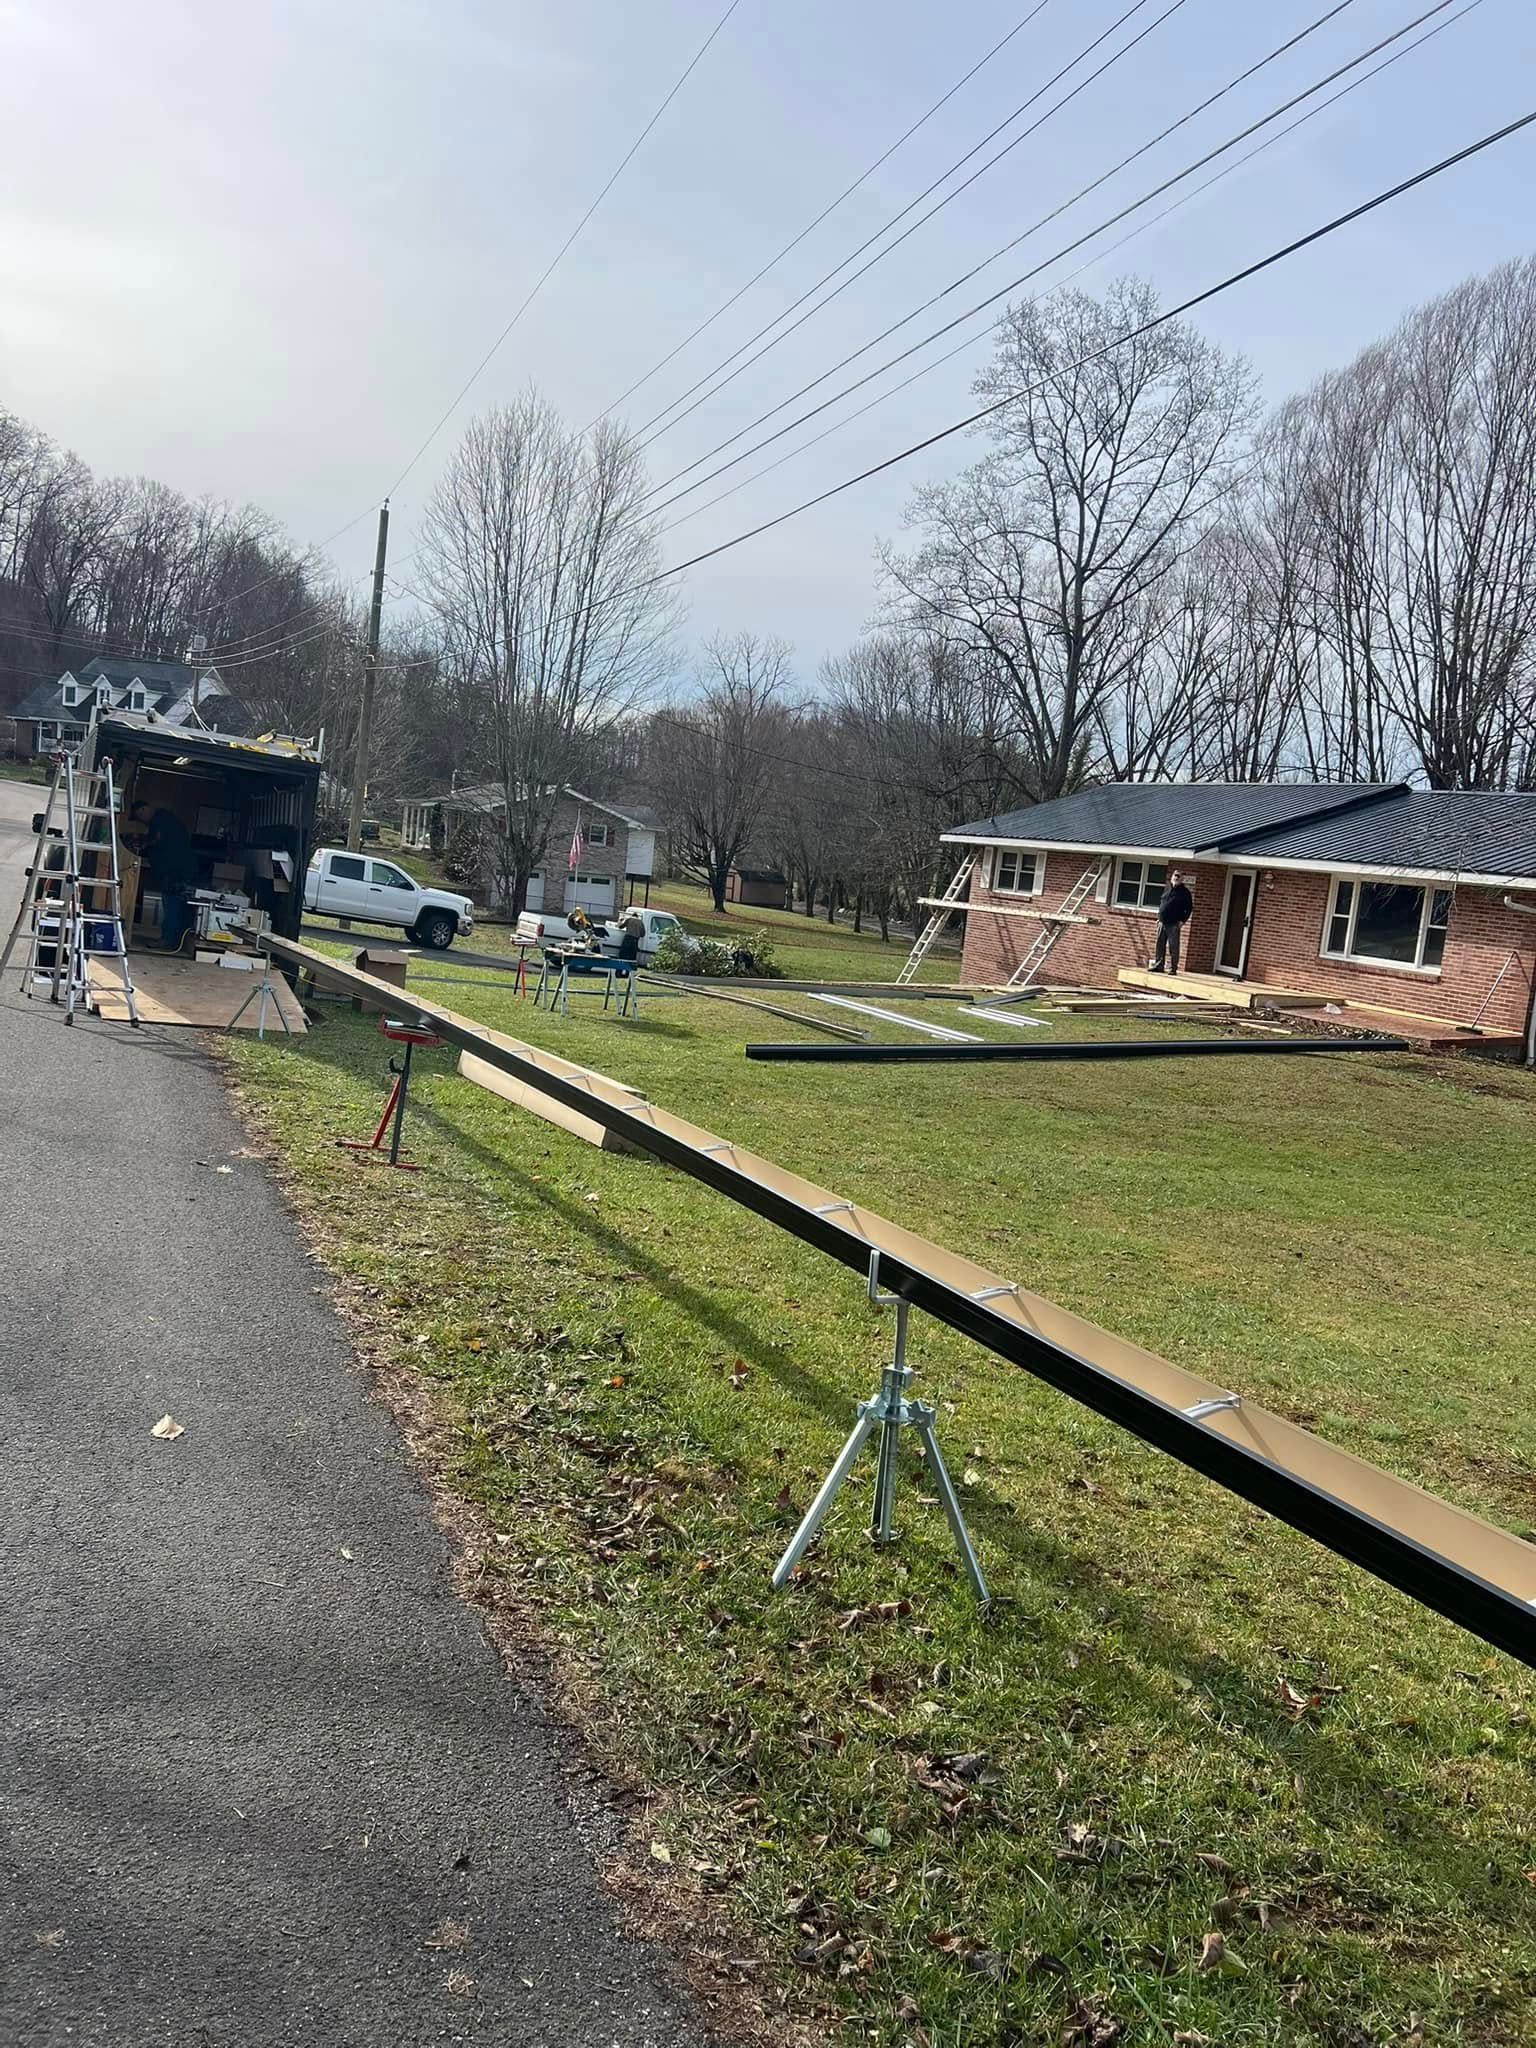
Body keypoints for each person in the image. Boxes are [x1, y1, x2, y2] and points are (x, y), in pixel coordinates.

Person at [144, 805, 195, 952]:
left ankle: (168, 940)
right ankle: (175, 940)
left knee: (172, 906)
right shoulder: (168, 819)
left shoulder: (160, 820)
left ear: (144, 810)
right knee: (176, 906)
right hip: (180, 870)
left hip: (175, 872)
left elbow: (158, 838)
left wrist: (147, 843)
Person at [1150, 870, 1193, 973]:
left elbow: (1189, 908)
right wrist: (1159, 917)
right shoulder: (1167, 888)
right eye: (1175, 875)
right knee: (1160, 945)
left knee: (1173, 947)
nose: (1176, 877)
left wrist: (1183, 921)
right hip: (1161, 922)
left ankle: (1173, 968)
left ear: (1182, 879)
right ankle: (1159, 965)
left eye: (1179, 876)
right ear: (1172, 877)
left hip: (1173, 924)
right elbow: (1162, 903)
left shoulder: (1185, 892)